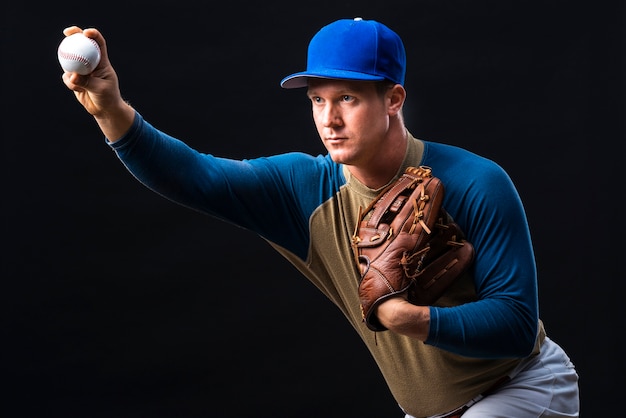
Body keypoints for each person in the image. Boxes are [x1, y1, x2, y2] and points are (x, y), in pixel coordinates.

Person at [60, 17, 580, 418]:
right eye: (317, 100)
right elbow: (196, 175)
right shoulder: (303, 190)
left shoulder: (476, 182)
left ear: (394, 98)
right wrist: (110, 108)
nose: (328, 119)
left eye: (348, 98)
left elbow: (515, 326)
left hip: (522, 389)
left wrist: (408, 318)